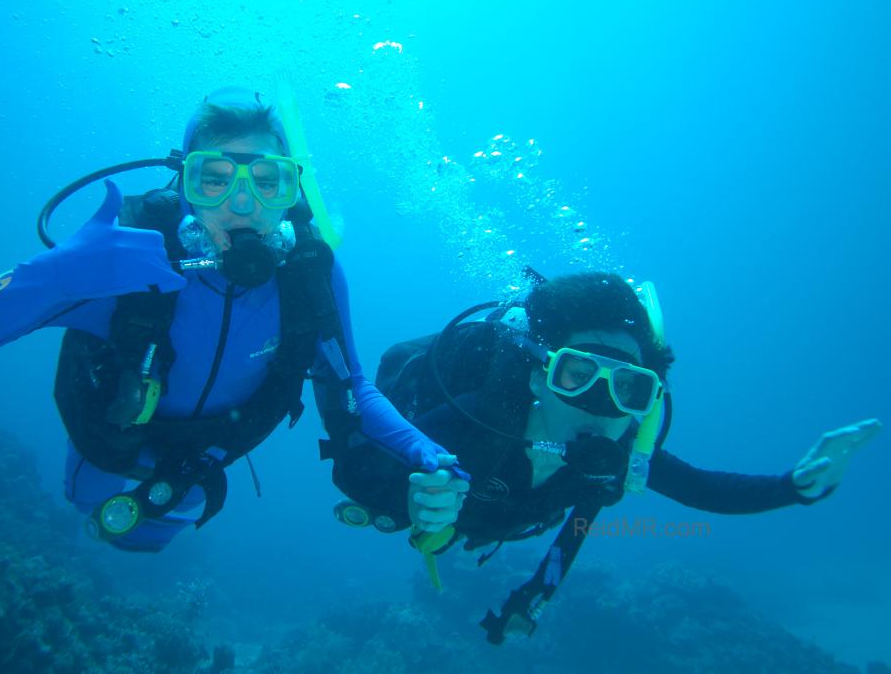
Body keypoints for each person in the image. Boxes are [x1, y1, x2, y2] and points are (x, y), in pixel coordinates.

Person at [0, 84, 451, 552]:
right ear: (182, 184)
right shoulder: (124, 264)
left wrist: (430, 456)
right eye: (214, 177)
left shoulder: (308, 276)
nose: (243, 202)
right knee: (92, 515)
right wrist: (52, 276)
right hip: (108, 459)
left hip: (199, 475)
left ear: (290, 191)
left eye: (267, 180)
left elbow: (352, 388)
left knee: (156, 540)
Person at [327, 271, 881, 642]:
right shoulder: (473, 421)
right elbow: (364, 469)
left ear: (645, 403)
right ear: (540, 375)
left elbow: (703, 489)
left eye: (630, 390)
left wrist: (797, 485)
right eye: (579, 375)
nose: (601, 405)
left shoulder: (616, 452)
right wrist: (408, 497)